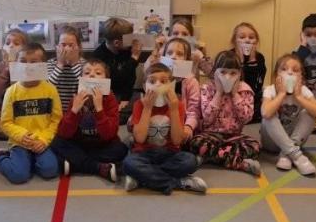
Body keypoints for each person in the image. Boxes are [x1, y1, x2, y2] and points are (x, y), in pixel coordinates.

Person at [123, 63, 206, 194]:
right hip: (144, 153)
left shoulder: (177, 105)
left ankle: (142, 178)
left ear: (171, 85)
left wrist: (173, 109)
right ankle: (179, 183)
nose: (158, 85)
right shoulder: (140, 105)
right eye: (152, 81)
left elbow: (177, 140)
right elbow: (139, 138)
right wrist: (147, 108)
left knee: (189, 161)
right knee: (129, 163)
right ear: (144, 86)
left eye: (163, 81)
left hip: (170, 153)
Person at [52, 58, 126, 182]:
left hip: (102, 145)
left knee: (121, 149)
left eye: (98, 73)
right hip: (79, 143)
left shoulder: (110, 99)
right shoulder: (77, 98)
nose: (91, 75)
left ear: (106, 80)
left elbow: (109, 134)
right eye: (87, 73)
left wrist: (99, 109)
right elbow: (64, 133)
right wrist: (74, 110)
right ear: (81, 79)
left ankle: (75, 164)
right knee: (56, 142)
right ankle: (98, 167)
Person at [0, 43, 62, 184]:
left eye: (33, 62)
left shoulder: (50, 90)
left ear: (43, 65)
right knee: (19, 176)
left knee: (50, 170)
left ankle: (29, 161)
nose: (27, 66)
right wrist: (21, 135)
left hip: (41, 141)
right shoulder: (11, 92)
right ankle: (1, 158)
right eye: (23, 61)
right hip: (19, 142)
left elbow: (56, 120)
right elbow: (5, 122)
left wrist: (43, 140)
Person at [189, 50, 260, 175]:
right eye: (223, 72)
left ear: (239, 74)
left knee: (254, 146)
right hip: (211, 135)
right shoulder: (207, 88)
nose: (227, 77)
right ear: (215, 72)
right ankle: (239, 163)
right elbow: (207, 118)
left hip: (234, 136)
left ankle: (210, 157)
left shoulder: (245, 90)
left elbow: (246, 118)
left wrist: (235, 94)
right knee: (196, 143)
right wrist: (218, 93)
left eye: (233, 73)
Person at [260, 54, 316, 175]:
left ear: (301, 77)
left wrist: (299, 97)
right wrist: (281, 94)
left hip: (294, 140)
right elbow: (265, 113)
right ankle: (297, 156)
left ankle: (286, 154)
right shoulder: (270, 90)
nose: (290, 73)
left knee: (310, 112)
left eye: (295, 70)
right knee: (269, 114)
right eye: (284, 69)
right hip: (271, 142)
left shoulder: (303, 90)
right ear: (276, 75)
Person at [93, 17, 141, 123]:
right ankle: (116, 116)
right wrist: (134, 58)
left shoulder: (127, 50)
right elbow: (114, 79)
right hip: (107, 93)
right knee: (100, 107)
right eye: (129, 39)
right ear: (117, 43)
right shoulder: (98, 56)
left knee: (140, 101)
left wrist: (125, 98)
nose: (132, 41)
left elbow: (131, 78)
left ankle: (116, 115)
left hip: (124, 92)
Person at [229, 22, 266, 124]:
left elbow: (258, 84)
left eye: (251, 37)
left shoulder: (259, 58)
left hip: (253, 96)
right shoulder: (229, 56)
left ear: (256, 41)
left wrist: (252, 59)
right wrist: (241, 61)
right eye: (242, 37)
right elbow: (232, 84)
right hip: (233, 97)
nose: (247, 40)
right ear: (235, 41)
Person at [48, 25, 85, 113]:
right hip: (55, 112)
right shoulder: (50, 63)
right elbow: (47, 88)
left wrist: (74, 63)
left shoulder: (84, 64)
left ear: (78, 47)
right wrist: (60, 64)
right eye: (63, 45)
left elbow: (85, 87)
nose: (67, 49)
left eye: (71, 45)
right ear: (57, 47)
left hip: (77, 113)